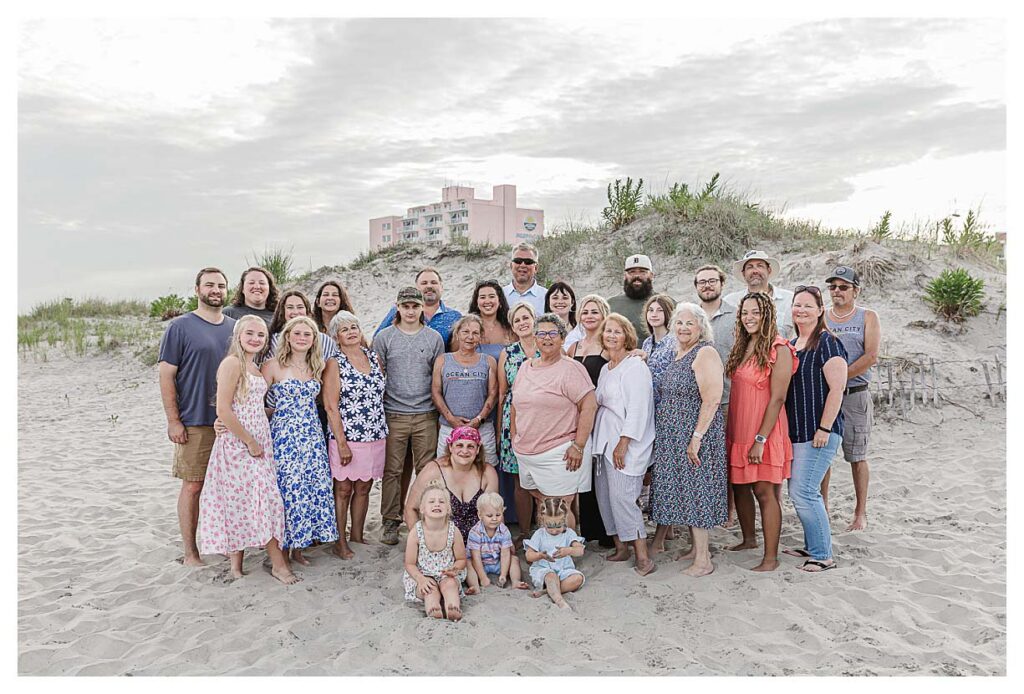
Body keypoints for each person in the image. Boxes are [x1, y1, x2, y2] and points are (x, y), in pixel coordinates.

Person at [196, 315, 297, 584]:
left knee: (258, 501)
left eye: (261, 335)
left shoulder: (256, 367)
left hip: (261, 442)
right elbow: (223, 409)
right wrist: (249, 441)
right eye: (250, 333)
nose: (255, 339)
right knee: (251, 501)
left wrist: (275, 412)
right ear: (239, 335)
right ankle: (271, 565)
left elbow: (249, 405)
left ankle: (247, 565)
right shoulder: (232, 364)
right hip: (238, 445)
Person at [158, 267, 236, 567]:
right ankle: (191, 553)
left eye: (220, 285)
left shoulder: (234, 326)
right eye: (209, 285)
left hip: (229, 422)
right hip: (195, 420)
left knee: (229, 485)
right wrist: (173, 420)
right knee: (193, 485)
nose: (215, 290)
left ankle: (230, 544)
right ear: (197, 289)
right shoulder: (180, 327)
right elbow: (166, 375)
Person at [648, 304, 728, 577]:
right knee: (687, 491)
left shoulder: (705, 352)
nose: (683, 328)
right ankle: (696, 549)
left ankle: (704, 560)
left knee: (698, 492)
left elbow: (713, 398)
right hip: (674, 436)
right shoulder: (677, 352)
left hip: (695, 434)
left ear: (701, 328)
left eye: (689, 324)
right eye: (679, 323)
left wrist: (696, 438)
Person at [725, 293, 797, 572]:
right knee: (740, 487)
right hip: (738, 428)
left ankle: (770, 558)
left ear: (767, 314)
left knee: (764, 491)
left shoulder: (779, 348)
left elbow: (778, 398)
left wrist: (760, 440)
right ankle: (748, 539)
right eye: (745, 313)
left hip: (763, 431)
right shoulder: (743, 345)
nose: (749, 317)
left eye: (755, 312)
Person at [262, 316, 338, 565]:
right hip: (284, 435)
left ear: (314, 339)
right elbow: (255, 400)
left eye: (307, 334)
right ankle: (281, 551)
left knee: (309, 489)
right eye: (297, 334)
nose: (302, 338)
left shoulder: (318, 366)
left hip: (312, 435)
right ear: (288, 336)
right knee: (288, 490)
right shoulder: (272, 365)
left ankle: (299, 548)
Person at [373, 287, 446, 545]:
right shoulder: (384, 338)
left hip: (426, 413)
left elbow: (437, 377)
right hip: (394, 413)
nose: (411, 311)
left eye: (415, 306)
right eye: (406, 307)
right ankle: (390, 521)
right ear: (398, 307)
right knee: (392, 470)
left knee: (426, 470)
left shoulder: (434, 338)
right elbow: (377, 375)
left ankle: (426, 517)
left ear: (421, 308)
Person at [511, 314, 598, 531]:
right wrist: (514, 437)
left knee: (559, 505)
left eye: (552, 333)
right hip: (526, 451)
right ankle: (549, 548)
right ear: (535, 338)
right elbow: (515, 405)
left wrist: (578, 446)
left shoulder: (571, 369)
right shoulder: (525, 367)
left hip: (559, 451)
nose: (546, 338)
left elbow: (589, 406)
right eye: (541, 333)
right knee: (541, 501)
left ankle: (563, 554)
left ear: (562, 337)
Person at [784, 286, 848, 572]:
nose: (801, 310)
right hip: (796, 431)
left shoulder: (828, 342)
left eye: (808, 305)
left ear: (821, 310)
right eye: (797, 305)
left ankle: (823, 555)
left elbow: (837, 388)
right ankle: (812, 545)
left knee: (805, 491)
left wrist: (824, 427)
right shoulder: (793, 343)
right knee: (799, 490)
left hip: (819, 431)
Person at [591, 313, 657, 576]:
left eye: (618, 331)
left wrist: (624, 442)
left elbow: (640, 408)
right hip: (604, 441)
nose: (611, 335)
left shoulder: (634, 366)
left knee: (624, 498)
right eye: (608, 331)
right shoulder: (608, 368)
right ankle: (621, 547)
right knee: (606, 497)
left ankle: (642, 557)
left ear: (627, 335)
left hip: (626, 441)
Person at [322, 311, 387, 560]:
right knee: (343, 489)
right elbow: (330, 405)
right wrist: (341, 443)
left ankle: (357, 535)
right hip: (347, 436)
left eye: (354, 327)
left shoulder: (373, 356)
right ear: (337, 337)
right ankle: (340, 542)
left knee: (364, 487)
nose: (351, 332)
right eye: (345, 329)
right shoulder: (335, 362)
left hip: (375, 433)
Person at [403, 426, 499, 592]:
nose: (464, 451)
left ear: (478, 450)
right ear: (450, 447)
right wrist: (421, 541)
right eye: (459, 445)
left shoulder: (487, 472)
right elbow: (410, 509)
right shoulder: (434, 470)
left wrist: (500, 543)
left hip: (477, 545)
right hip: (441, 544)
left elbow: (495, 514)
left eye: (470, 446)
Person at [823, 265, 880, 531]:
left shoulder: (867, 316)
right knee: (822, 454)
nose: (837, 291)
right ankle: (822, 507)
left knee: (857, 455)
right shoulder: (822, 316)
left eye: (843, 287)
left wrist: (841, 379)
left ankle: (860, 513)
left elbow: (871, 356)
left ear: (855, 290)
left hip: (854, 394)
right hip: (824, 396)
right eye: (833, 286)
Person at [566, 295, 614, 547]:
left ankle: (608, 533)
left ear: (604, 313)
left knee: (601, 474)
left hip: (602, 414)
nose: (589, 316)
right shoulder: (573, 347)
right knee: (583, 474)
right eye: (585, 312)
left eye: (595, 311)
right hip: (576, 416)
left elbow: (625, 360)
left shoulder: (609, 344)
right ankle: (590, 529)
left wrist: (639, 353)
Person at [694, 264, 738, 525]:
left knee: (727, 457)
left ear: (722, 284)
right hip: (695, 401)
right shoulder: (690, 316)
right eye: (702, 282)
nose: (707, 285)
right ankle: (705, 507)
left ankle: (728, 510)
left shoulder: (735, 316)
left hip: (727, 398)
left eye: (712, 281)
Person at [497, 302, 541, 538]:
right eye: (517, 320)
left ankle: (547, 530)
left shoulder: (548, 347)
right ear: (513, 327)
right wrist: (498, 431)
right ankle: (525, 532)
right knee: (519, 481)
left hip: (544, 421)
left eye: (526, 318)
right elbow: (502, 394)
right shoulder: (508, 352)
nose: (522, 323)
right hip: (512, 421)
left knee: (543, 480)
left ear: (534, 319)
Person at [432, 315, 499, 465]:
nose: (470, 337)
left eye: (475, 333)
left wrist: (478, 419)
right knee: (446, 468)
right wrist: (451, 419)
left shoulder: (488, 361)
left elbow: (493, 394)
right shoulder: (443, 360)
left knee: (486, 469)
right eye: (465, 332)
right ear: (457, 334)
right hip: (449, 428)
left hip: (482, 428)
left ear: (481, 336)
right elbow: (436, 392)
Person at [402, 480, 467, 621]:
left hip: (446, 573)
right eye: (431, 501)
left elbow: (462, 559)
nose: (437, 504)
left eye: (441, 502)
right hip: (423, 574)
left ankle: (452, 606)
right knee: (429, 590)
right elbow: (410, 563)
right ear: (422, 509)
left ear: (449, 509)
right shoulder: (416, 531)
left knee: (450, 585)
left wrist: (454, 569)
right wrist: (421, 579)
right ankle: (433, 608)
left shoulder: (453, 531)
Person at [524, 498, 586, 609]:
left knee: (578, 578)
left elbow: (580, 550)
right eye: (550, 526)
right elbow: (528, 556)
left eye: (558, 526)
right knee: (551, 576)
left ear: (565, 519)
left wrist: (569, 550)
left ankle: (546, 591)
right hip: (543, 570)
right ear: (542, 520)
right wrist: (539, 555)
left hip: (564, 570)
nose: (554, 530)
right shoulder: (539, 534)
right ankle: (560, 601)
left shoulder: (568, 533)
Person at [374, 267, 462, 346]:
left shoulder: (454, 316)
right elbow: (376, 341)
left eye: (434, 282)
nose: (429, 286)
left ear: (441, 287)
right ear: (416, 288)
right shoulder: (399, 312)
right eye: (424, 283)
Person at [723, 250, 794, 339]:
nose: (755, 271)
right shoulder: (730, 302)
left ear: (769, 270)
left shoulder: (789, 299)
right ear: (743, 273)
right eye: (750, 267)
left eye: (760, 266)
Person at [466, 492, 529, 590]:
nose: (494, 519)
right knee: (468, 563)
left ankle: (515, 581)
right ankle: (474, 585)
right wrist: (483, 577)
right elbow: (476, 557)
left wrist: (503, 574)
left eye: (498, 514)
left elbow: (505, 554)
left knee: (514, 559)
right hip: (480, 563)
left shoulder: (504, 531)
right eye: (489, 516)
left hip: (497, 562)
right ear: (480, 515)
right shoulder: (475, 532)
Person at [264, 289, 339, 363]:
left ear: (307, 311)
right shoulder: (272, 340)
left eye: (300, 307)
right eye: (290, 307)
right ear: (282, 311)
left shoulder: (325, 341)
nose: (295, 312)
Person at [607, 254, 659, 339]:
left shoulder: (664, 303)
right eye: (632, 272)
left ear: (651, 276)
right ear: (625, 276)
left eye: (642, 272)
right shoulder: (610, 305)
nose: (637, 276)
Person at [502, 242, 547, 316]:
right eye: (518, 261)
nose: (522, 265)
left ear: (536, 268)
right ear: (511, 265)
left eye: (528, 262)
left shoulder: (546, 296)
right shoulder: (500, 295)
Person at [641, 293, 678, 382]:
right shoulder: (647, 343)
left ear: (667, 313)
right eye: (651, 310)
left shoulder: (675, 342)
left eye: (660, 310)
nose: (654, 314)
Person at [544, 281, 582, 351]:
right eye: (555, 298)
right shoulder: (541, 331)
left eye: (565, 298)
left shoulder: (581, 330)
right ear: (548, 302)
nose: (560, 302)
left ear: (572, 302)